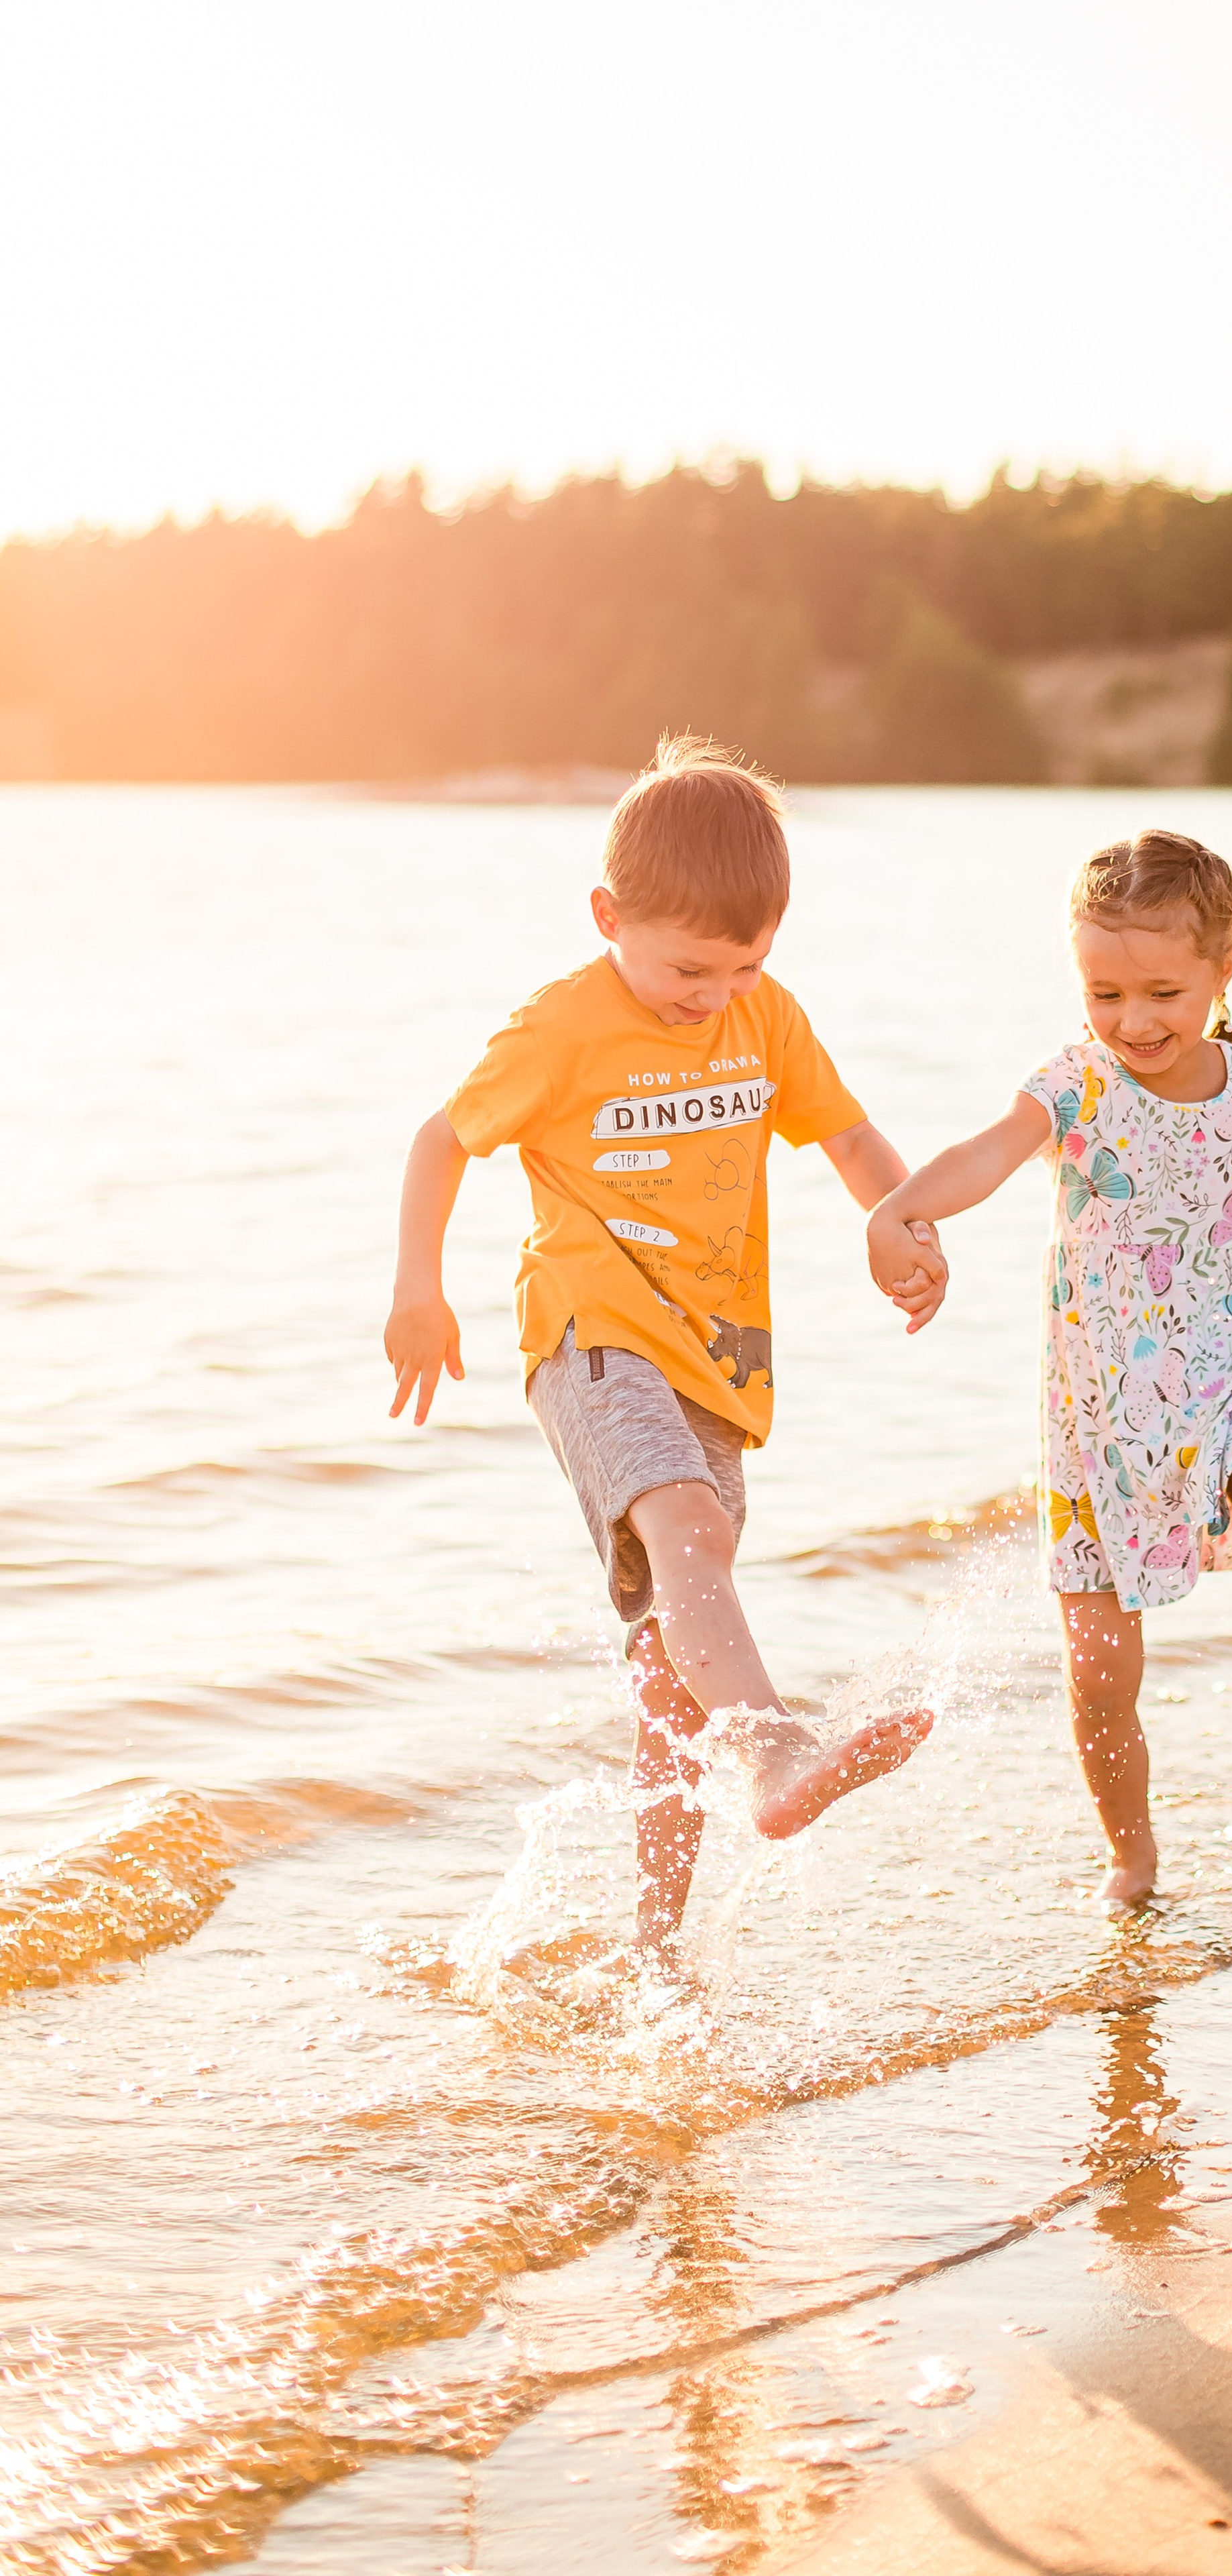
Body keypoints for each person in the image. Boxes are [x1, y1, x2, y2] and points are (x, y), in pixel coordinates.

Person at [385, 736, 942, 1949]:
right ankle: (776, 1746)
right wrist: (418, 1289)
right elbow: (442, 1140)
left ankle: (656, 1945)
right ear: (608, 918)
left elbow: (849, 1138)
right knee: (688, 1531)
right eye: (690, 968)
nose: (715, 995)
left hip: (716, 1360)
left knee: (670, 1665)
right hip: (588, 1333)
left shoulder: (764, 1019)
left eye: (747, 966)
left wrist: (902, 1224)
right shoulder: (561, 1029)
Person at [864, 827, 1232, 1912]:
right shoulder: (1076, 1083)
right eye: (1104, 993)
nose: (1134, 1020)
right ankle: (1133, 1858)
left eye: (1164, 992)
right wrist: (901, 1207)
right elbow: (987, 1153)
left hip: (1226, 1364)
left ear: (1226, 970)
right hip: (1100, 1419)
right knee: (1101, 1673)